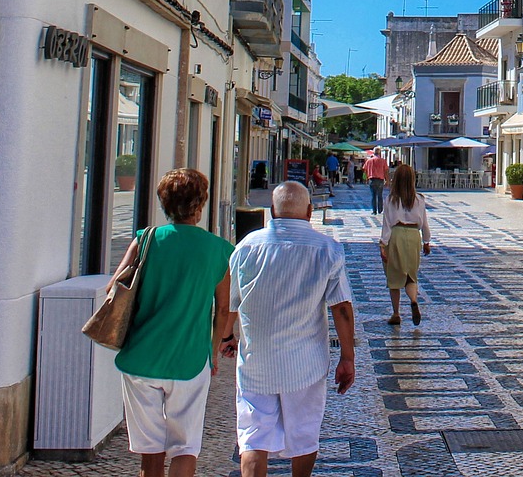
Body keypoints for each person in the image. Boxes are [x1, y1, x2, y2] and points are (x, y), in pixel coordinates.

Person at [112, 169, 235, 477]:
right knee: (184, 448)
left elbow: (115, 289)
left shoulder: (146, 240)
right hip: (190, 360)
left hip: (141, 357)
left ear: (164, 202)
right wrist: (216, 349)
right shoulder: (219, 250)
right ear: (201, 203)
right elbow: (223, 309)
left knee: (150, 453)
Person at [230, 181, 356, 477]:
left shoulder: (246, 247)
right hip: (306, 363)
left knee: (252, 439)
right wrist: (347, 357)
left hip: (255, 362)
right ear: (310, 211)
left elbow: (230, 304)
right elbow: (341, 307)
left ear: (272, 211)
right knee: (304, 435)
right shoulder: (328, 250)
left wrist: (226, 337)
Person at [379, 163, 431, 326]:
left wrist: (383, 244)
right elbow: (425, 223)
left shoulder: (390, 200)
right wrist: (426, 242)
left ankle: (396, 313)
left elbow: (387, 224)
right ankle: (414, 300)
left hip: (397, 235)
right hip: (414, 235)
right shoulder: (420, 199)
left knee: (394, 277)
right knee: (411, 276)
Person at [364, 149, 390, 215]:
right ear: (379, 153)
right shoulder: (383, 161)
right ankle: (380, 209)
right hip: (380, 179)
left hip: (372, 179)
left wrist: (366, 178)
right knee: (380, 195)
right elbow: (386, 171)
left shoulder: (369, 161)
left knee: (373, 196)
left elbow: (365, 169)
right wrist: (387, 180)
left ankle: (374, 210)